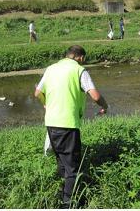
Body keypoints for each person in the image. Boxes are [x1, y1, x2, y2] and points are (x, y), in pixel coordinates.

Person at [34, 45, 108, 208]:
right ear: (80, 57)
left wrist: (47, 104)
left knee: (62, 161)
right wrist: (105, 106)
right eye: (84, 59)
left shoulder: (51, 69)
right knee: (73, 167)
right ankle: (69, 204)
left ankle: (64, 191)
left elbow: (37, 93)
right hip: (67, 124)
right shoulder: (79, 70)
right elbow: (95, 96)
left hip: (51, 123)